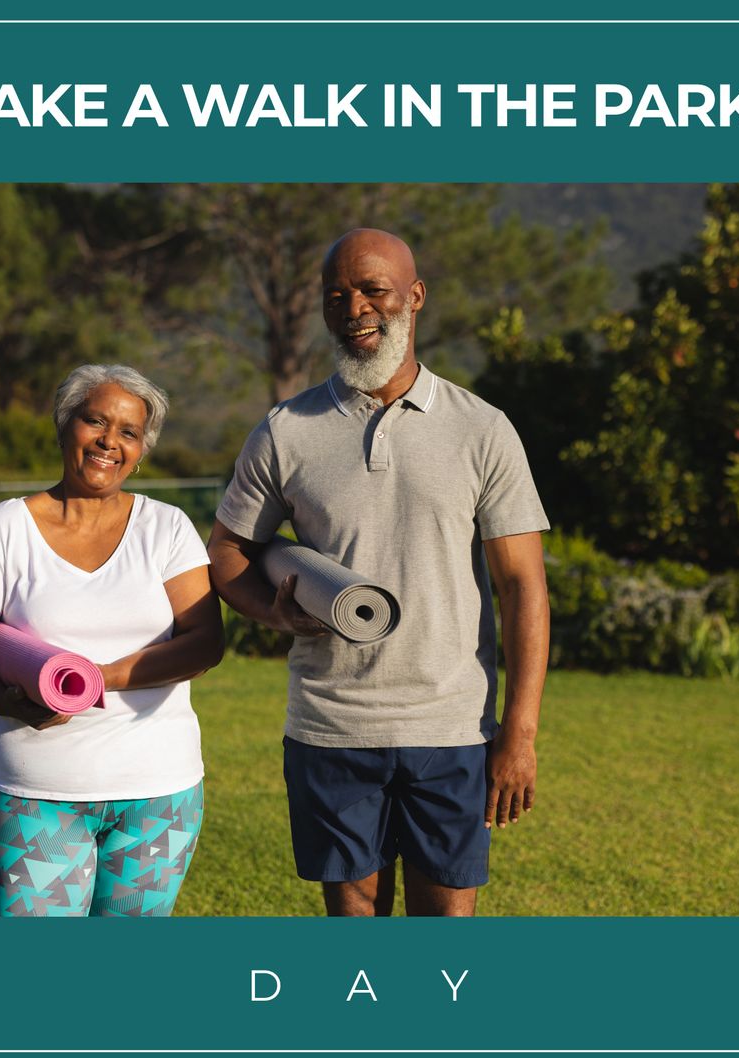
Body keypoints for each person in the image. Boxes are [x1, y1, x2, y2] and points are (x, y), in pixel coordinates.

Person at [207, 228, 550, 917]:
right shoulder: (286, 429)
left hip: (450, 727)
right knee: (355, 923)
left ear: (415, 298)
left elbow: (522, 587)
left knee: (444, 922)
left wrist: (519, 733)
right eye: (338, 295)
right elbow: (227, 552)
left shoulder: (482, 429)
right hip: (330, 724)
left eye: (373, 291)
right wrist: (274, 612)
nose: (355, 308)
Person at [0, 364, 224, 917]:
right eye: (95, 421)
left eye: (129, 432)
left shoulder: (167, 528)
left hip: (158, 793)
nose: (109, 441)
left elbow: (205, 643)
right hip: (37, 792)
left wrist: (98, 679)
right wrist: (12, 703)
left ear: (141, 450)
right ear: (65, 424)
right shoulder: (4, 530)